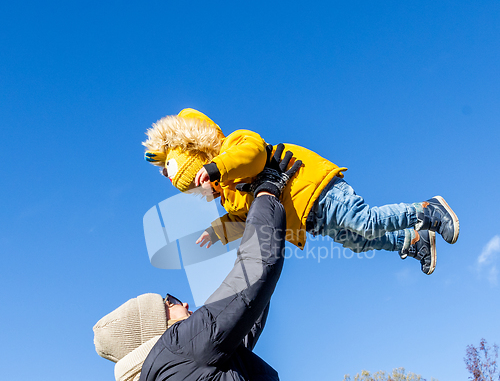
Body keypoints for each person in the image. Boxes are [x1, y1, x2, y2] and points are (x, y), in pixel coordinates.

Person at [93, 151, 300, 381]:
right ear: (155, 327)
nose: (185, 304)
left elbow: (249, 308)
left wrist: (258, 217)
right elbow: (251, 278)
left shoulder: (178, 369)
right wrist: (265, 192)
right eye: (170, 301)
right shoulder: (178, 348)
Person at [143, 108, 459, 275]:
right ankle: (413, 241)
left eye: (203, 177)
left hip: (316, 189)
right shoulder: (229, 196)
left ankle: (428, 210)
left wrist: (217, 168)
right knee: (357, 242)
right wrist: (217, 231)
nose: (207, 186)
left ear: (200, 153)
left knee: (364, 222)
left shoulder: (234, 146)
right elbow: (244, 218)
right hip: (310, 219)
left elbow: (252, 155)